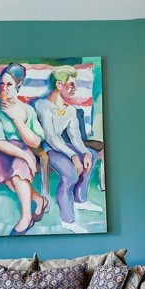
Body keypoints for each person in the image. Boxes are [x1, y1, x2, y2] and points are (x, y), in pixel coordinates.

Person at [33, 66, 103, 234]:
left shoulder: (70, 110)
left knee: (92, 155)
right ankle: (68, 220)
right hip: (47, 148)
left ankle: (80, 199)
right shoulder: (42, 105)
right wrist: (73, 155)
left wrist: (84, 152)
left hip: (62, 146)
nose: (75, 88)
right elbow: (50, 137)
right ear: (59, 85)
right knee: (70, 175)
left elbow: (75, 137)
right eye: (71, 84)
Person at [0, 63, 47, 236]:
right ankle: (38, 200)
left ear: (18, 85)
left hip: (24, 149)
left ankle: (26, 217)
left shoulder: (27, 110)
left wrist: (16, 120)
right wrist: (25, 157)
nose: (4, 88)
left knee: (19, 168)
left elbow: (35, 141)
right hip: (2, 150)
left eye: (9, 84)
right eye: (2, 84)